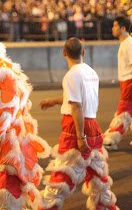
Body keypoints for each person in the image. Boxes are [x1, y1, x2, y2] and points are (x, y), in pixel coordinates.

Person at [39, 37, 117, 210]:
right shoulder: (91, 73)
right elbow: (77, 100)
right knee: (97, 174)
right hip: (93, 126)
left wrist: (80, 137)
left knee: (62, 174)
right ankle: (104, 205)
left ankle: (47, 206)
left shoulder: (71, 75)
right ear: (83, 52)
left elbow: (76, 106)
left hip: (76, 128)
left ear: (64, 53)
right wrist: (54, 100)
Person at [104, 16, 132, 150]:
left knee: (123, 110)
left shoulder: (130, 44)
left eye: (115, 26)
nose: (113, 28)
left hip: (130, 82)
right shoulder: (126, 43)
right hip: (126, 81)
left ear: (123, 28)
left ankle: (112, 138)